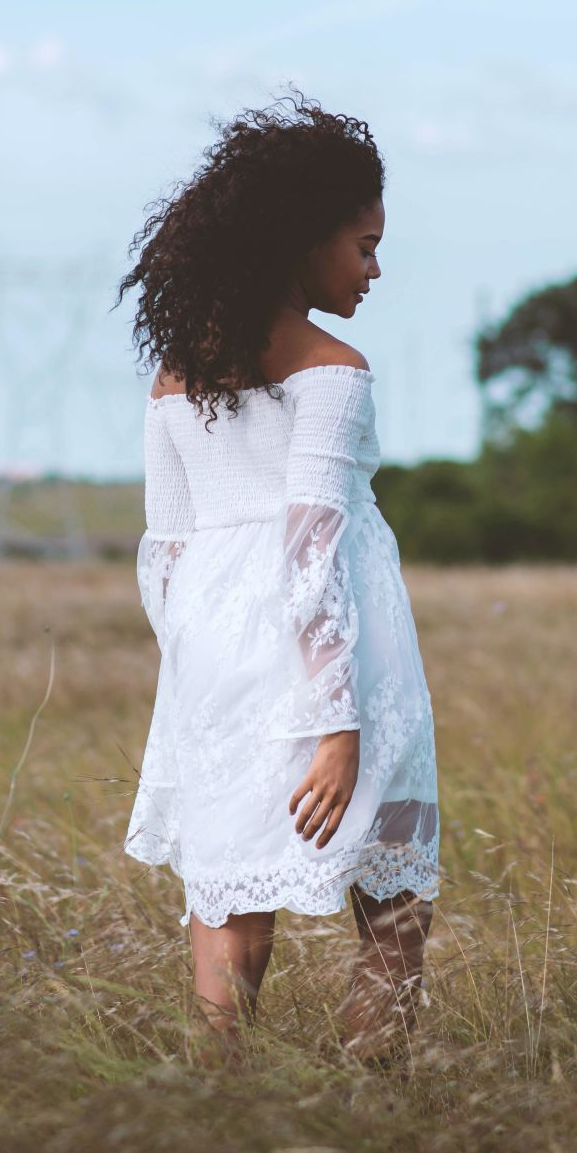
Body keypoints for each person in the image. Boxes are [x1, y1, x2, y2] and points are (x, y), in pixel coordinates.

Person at [115, 89, 440, 1067]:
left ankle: (218, 1108)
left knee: (228, 892)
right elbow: (309, 544)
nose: (375, 269)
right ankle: (369, 1107)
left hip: (212, 655)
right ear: (304, 241)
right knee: (392, 907)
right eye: (363, 245)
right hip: (337, 658)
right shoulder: (332, 369)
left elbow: (163, 549)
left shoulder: (174, 371)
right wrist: (335, 723)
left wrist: (192, 674)